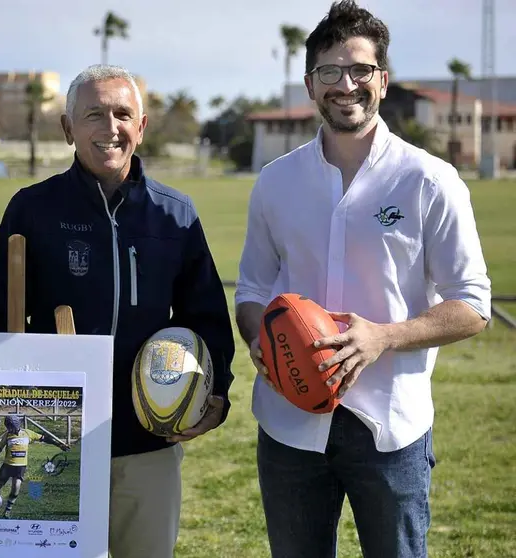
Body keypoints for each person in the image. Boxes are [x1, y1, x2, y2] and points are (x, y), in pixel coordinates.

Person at [234, 2, 492, 557]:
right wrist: (261, 338)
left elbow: (473, 303)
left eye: (360, 70)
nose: (345, 84)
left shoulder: (430, 179)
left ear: (383, 80)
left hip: (391, 426)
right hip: (288, 422)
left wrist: (382, 337)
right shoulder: (275, 183)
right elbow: (252, 289)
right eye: (330, 71)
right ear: (310, 83)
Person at [0, 63, 236, 557]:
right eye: (93, 114)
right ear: (68, 128)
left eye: (122, 113)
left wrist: (217, 390)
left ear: (141, 126)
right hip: (57, 443)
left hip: (148, 444)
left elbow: (206, 318)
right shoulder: (32, 208)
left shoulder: (175, 215)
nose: (110, 127)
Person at [0, 414, 70, 517]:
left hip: (20, 467)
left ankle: (8, 510)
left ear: (16, 425)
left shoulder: (27, 433)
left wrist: (59, 445)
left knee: (16, 487)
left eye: (11, 427)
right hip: (7, 466)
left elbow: (44, 438)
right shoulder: (7, 436)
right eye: (8, 427)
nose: (10, 429)